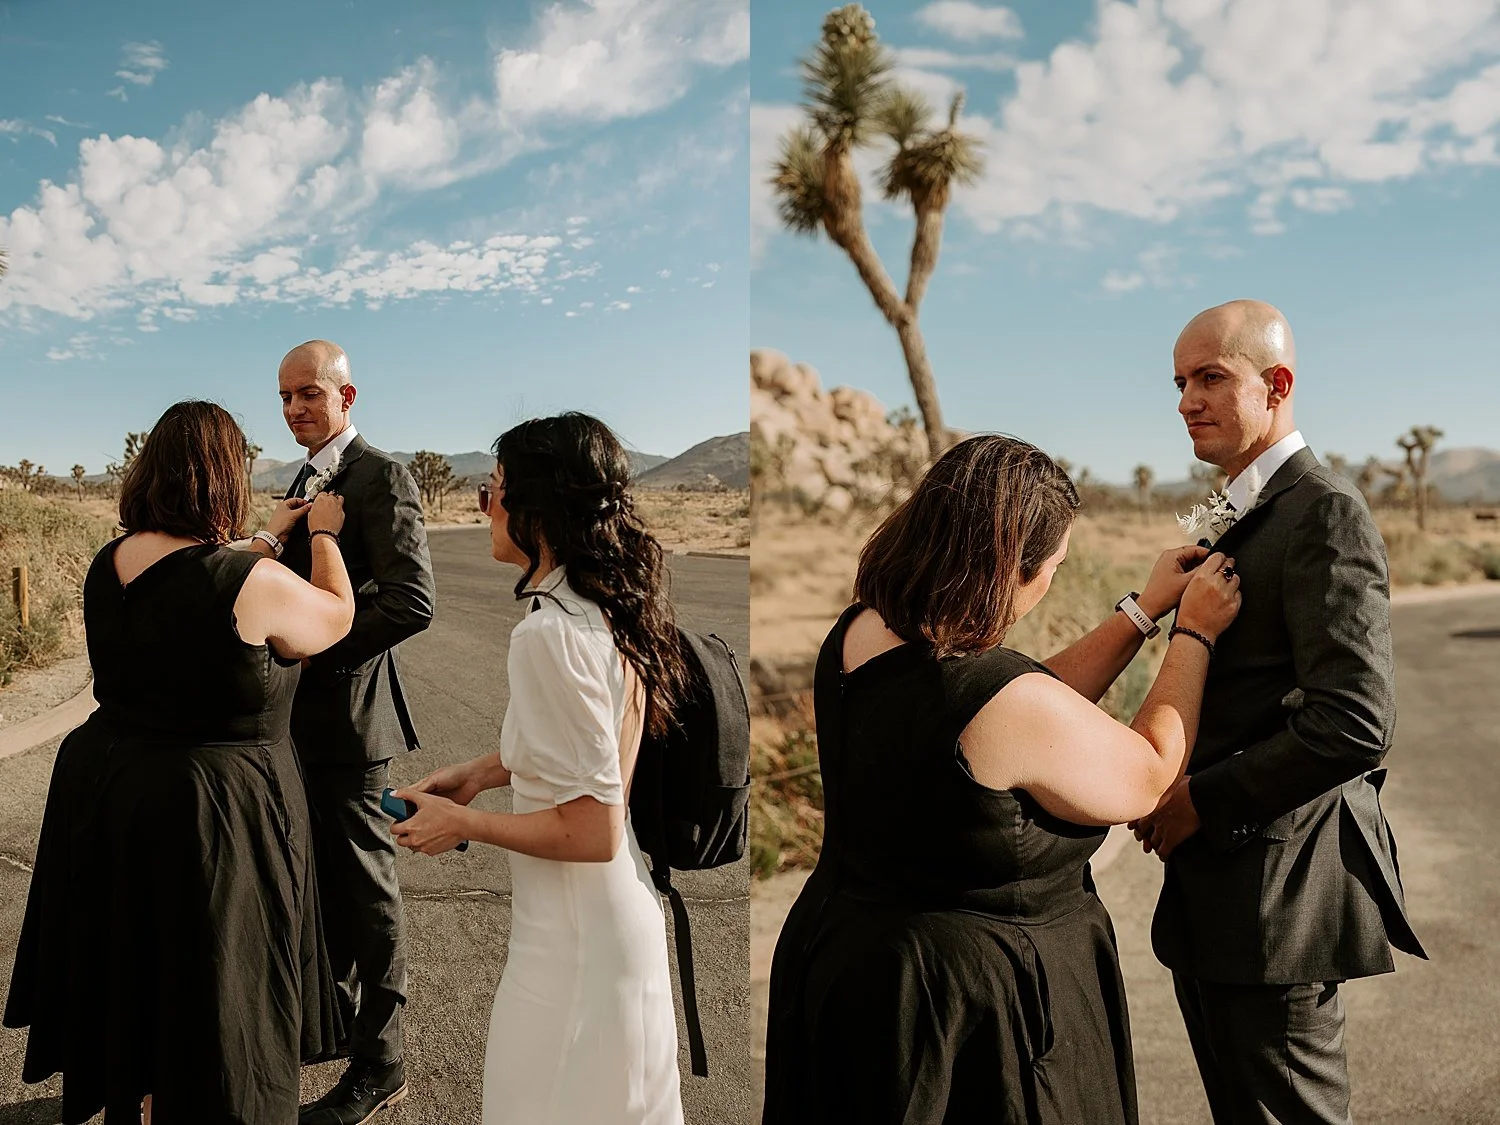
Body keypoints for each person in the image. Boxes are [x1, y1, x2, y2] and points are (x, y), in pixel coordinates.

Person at [761, 433, 1243, 1125]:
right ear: (1008, 568)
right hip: (967, 1017)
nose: (1051, 581)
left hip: (848, 974)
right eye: (1052, 565)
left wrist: (1139, 614)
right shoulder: (990, 699)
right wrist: (1193, 632)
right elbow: (1147, 772)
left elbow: (1024, 701)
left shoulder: (861, 630)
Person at [3, 400, 352, 1124]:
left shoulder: (111, 563)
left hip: (108, 794)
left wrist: (262, 537)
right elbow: (333, 616)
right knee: (210, 986)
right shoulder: (249, 583)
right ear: (223, 477)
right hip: (212, 813)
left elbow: (190, 583)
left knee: (137, 972)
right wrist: (323, 537)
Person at [1131, 300, 1426, 1124]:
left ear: (1278, 385)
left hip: (1279, 902)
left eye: (1212, 378)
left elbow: (1355, 719)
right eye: (1181, 381)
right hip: (1221, 899)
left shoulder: (1322, 511)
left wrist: (1199, 799)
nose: (1187, 398)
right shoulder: (1238, 507)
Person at [387, 412, 689, 1125]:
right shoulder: (605, 609)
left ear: (537, 509)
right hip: (613, 926)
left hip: (573, 947)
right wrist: (480, 772)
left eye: (491, 490)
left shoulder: (547, 633)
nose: (482, 506)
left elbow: (594, 828)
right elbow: (589, 753)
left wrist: (463, 823)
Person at [248, 340, 435, 1125]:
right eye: (285, 396)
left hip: (353, 725)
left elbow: (412, 600)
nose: (294, 408)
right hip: (297, 722)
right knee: (316, 884)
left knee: (368, 895)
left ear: (346, 396)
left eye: (308, 395)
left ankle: (382, 1060)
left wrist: (317, 638)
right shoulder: (300, 481)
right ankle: (329, 1027)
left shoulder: (381, 476)